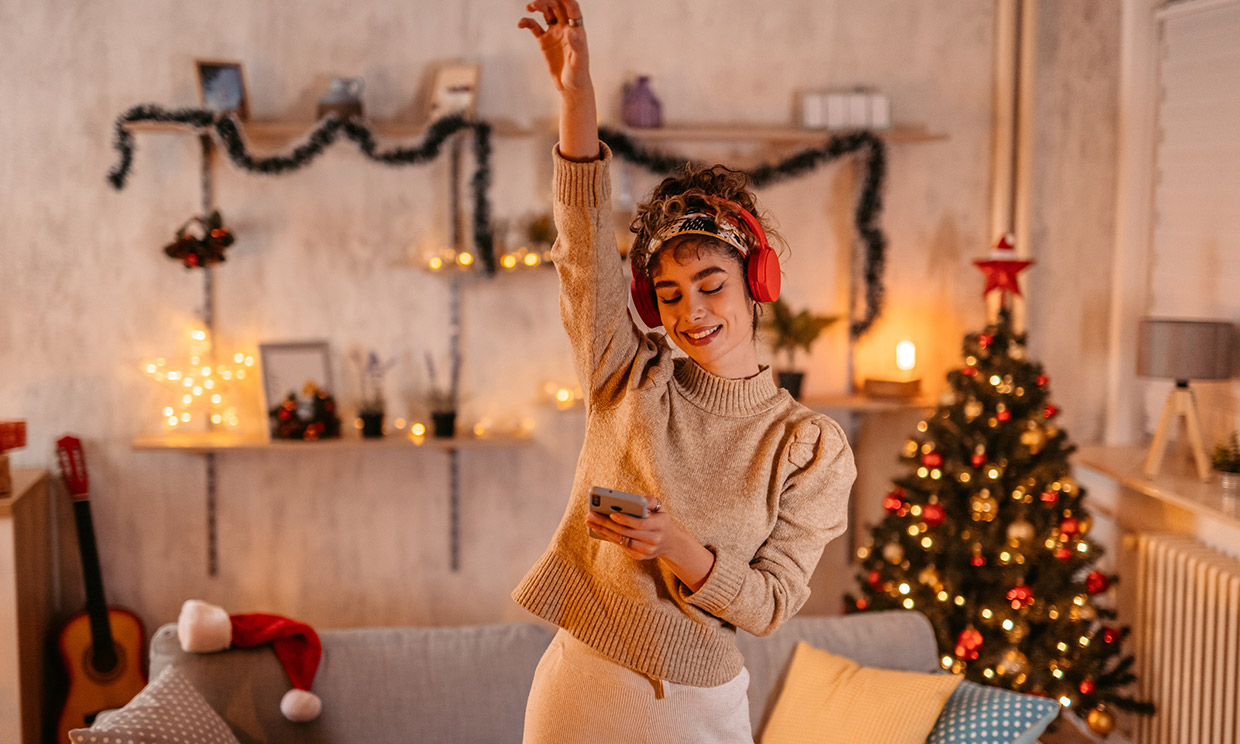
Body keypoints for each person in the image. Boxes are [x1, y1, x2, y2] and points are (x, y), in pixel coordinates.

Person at [513, 2, 857, 741]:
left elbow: (768, 605)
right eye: (668, 295)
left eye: (710, 285)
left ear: (755, 282)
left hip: (699, 704)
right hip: (583, 679)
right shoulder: (627, 377)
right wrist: (577, 100)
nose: (690, 312)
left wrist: (676, 547)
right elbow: (580, 251)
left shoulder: (809, 447)